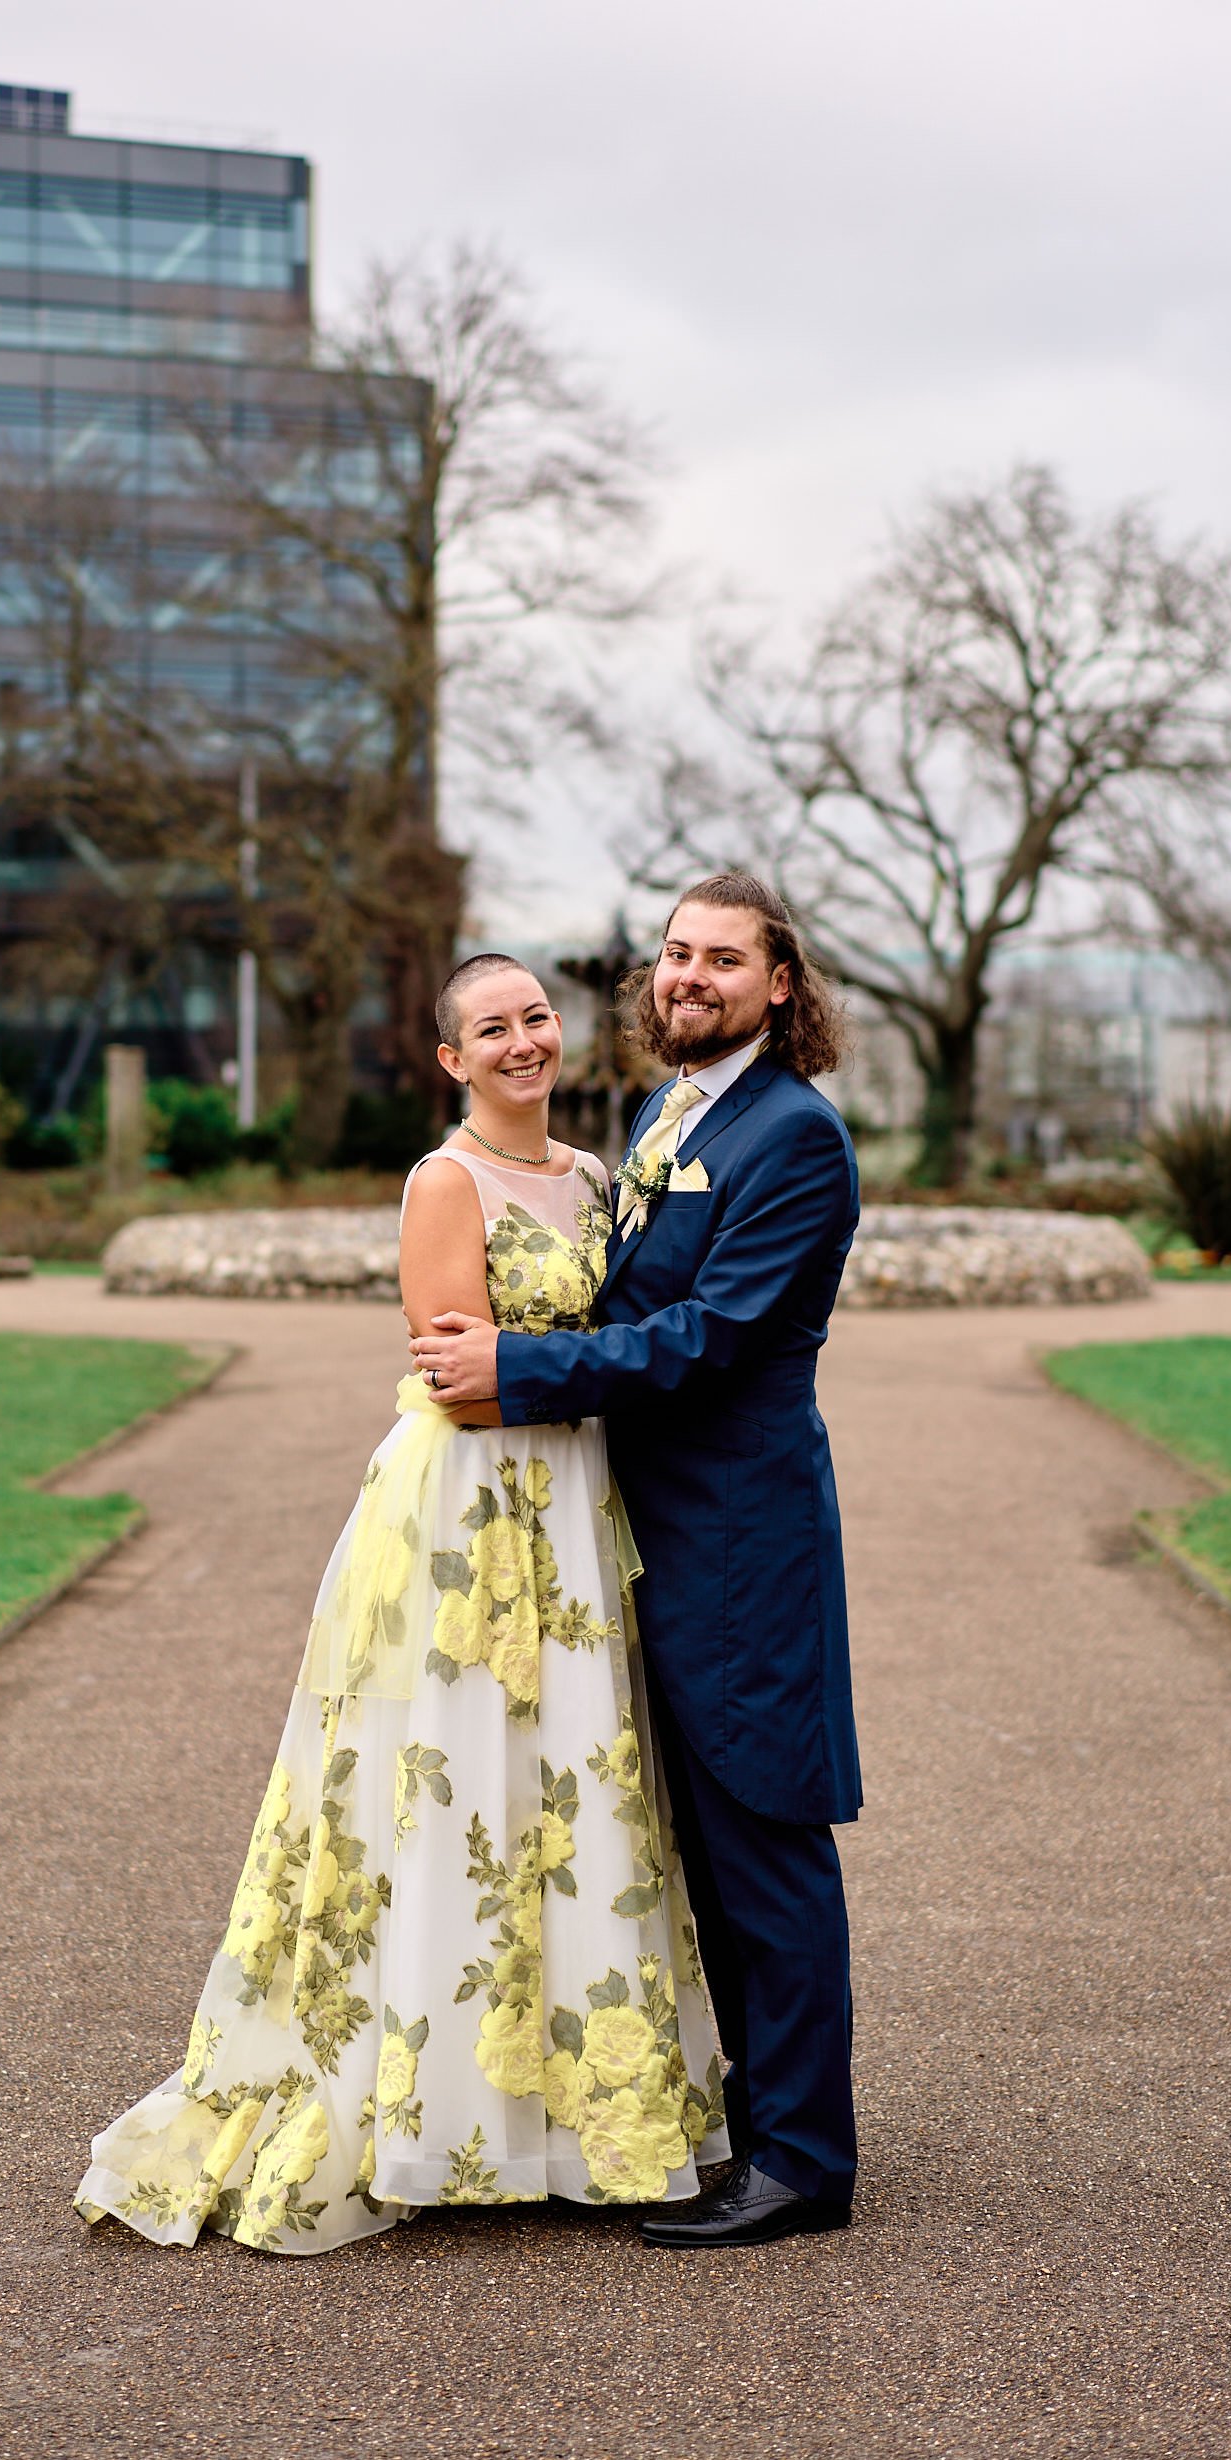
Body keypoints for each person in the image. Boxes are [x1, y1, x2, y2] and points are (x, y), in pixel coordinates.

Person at [76, 954, 729, 2254]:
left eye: (538, 1017)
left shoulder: (598, 1178)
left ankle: (578, 2114)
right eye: (493, 1029)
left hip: (579, 1512)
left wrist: (589, 1371)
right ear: (452, 1060)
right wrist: (603, 1373)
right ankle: (447, 2116)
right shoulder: (448, 1183)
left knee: (574, 1789)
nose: (524, 1042)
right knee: (464, 1789)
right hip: (471, 1517)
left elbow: (561, 1356)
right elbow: (464, 1386)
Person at [412, 872, 862, 2250]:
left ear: (780, 984)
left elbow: (707, 1341)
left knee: (764, 1841)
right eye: (675, 955)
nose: (688, 977)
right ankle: (752, 2114)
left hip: (738, 1536)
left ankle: (804, 2161)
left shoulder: (796, 1139)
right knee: (702, 1855)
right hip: (637, 1536)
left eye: (723, 959)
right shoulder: (673, 1114)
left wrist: (517, 1369)